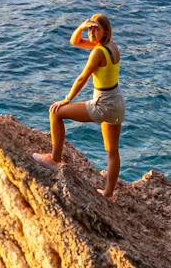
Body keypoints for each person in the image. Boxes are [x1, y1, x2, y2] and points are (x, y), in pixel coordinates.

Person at [49, 12, 125, 198]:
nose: (91, 32)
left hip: (102, 103)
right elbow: (75, 41)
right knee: (112, 152)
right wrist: (82, 27)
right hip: (117, 103)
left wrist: (67, 98)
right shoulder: (111, 47)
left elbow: (83, 78)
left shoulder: (98, 52)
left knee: (56, 113)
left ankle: (54, 159)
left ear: (105, 31)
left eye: (95, 29)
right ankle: (108, 193)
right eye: (90, 29)